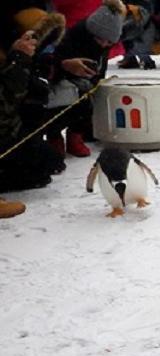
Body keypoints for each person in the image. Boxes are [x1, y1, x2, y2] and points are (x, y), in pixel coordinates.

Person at [46, 0, 126, 158]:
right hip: (59, 83)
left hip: (84, 84)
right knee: (61, 102)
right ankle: (54, 136)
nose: (104, 44)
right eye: (100, 40)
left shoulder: (103, 43)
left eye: (109, 42)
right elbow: (49, 63)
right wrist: (65, 66)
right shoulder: (71, 37)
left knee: (88, 102)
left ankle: (75, 135)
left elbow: (100, 70)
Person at [0, 27, 66, 213]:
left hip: (14, 129)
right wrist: (18, 61)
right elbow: (6, 108)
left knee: (49, 162)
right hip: (6, 132)